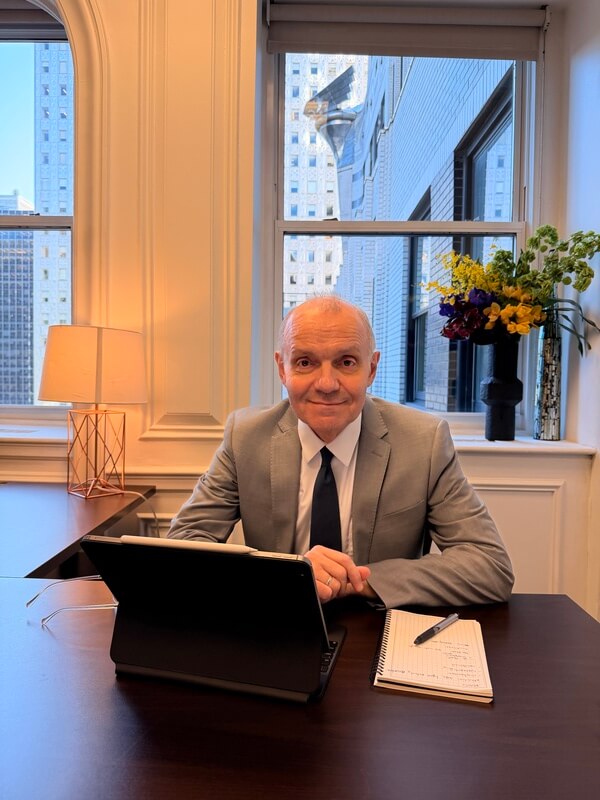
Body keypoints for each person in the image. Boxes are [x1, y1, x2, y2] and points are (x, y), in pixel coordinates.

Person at [168, 295, 514, 609]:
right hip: (275, 623)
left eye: (347, 362)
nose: (327, 384)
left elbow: (488, 566)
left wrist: (359, 580)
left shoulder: (425, 442)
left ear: (371, 369)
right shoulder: (245, 436)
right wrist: (285, 576)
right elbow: (183, 544)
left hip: (378, 630)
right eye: (305, 362)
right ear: (281, 369)